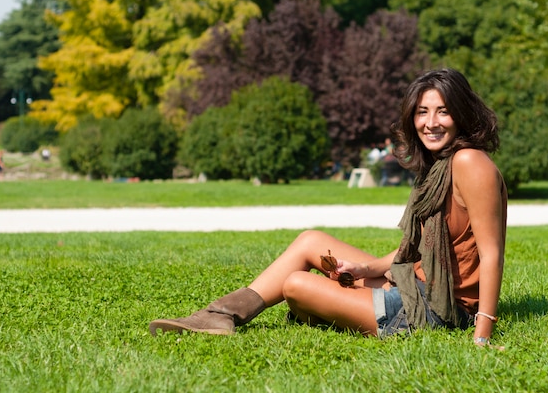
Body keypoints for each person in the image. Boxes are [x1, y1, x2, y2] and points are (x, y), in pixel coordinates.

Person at [149, 68, 507, 347]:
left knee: (296, 285)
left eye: (443, 112)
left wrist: (482, 335)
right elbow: (413, 251)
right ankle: (220, 314)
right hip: (412, 284)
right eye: (422, 112)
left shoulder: (469, 163)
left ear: (460, 114)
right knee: (309, 241)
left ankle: (326, 307)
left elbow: (491, 255)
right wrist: (364, 267)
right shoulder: (439, 165)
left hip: (435, 310)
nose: (430, 122)